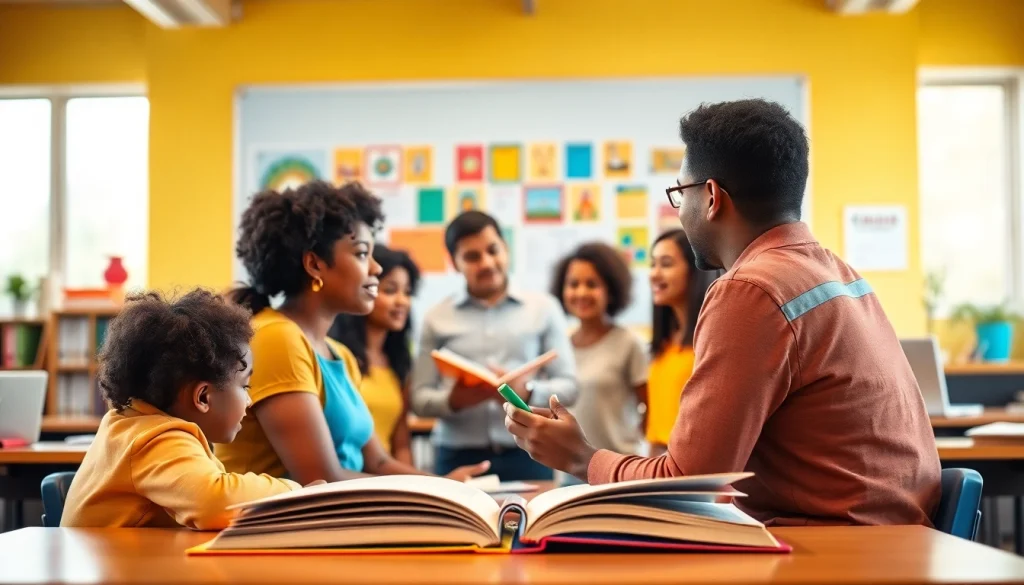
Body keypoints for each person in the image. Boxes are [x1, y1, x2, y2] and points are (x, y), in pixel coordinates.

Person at [503, 99, 941, 526]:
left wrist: (582, 457)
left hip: (841, 552)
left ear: (710, 196)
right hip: (892, 537)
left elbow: (691, 485)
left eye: (680, 192)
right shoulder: (838, 273)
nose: (680, 211)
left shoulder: (748, 290)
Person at [217, 180, 487, 484]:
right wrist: (431, 495)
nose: (376, 269)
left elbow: (378, 461)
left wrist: (447, 486)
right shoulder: (276, 337)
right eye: (361, 254)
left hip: (335, 519)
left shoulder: (340, 355)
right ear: (314, 264)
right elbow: (321, 478)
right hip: (277, 525)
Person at [62, 290, 304, 529]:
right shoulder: (155, 440)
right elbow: (216, 502)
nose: (249, 401)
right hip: (105, 569)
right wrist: (296, 493)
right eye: (244, 386)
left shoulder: (131, 425)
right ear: (202, 397)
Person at [411, 210, 578, 481]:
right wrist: (452, 401)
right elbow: (419, 399)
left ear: (506, 249)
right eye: (471, 257)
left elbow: (570, 387)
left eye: (492, 250)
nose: (486, 263)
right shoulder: (435, 318)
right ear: (454, 263)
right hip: (456, 455)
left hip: (531, 450)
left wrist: (529, 391)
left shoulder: (544, 309)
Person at [549, 242, 647, 465]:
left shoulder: (629, 344)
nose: (581, 292)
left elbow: (649, 410)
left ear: (610, 290)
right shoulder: (559, 348)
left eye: (592, 284)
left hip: (620, 468)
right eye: (573, 284)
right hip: (569, 470)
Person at [329, 244, 419, 465]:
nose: (402, 301)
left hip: (390, 480)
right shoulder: (337, 357)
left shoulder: (398, 361)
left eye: (407, 292)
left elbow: (401, 444)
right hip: (351, 477)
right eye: (390, 290)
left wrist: (416, 492)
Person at [645, 229, 717, 456]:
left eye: (666, 264)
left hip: (691, 472)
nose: (654, 274)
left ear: (694, 271)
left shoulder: (709, 343)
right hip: (659, 469)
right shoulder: (664, 345)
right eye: (652, 264)